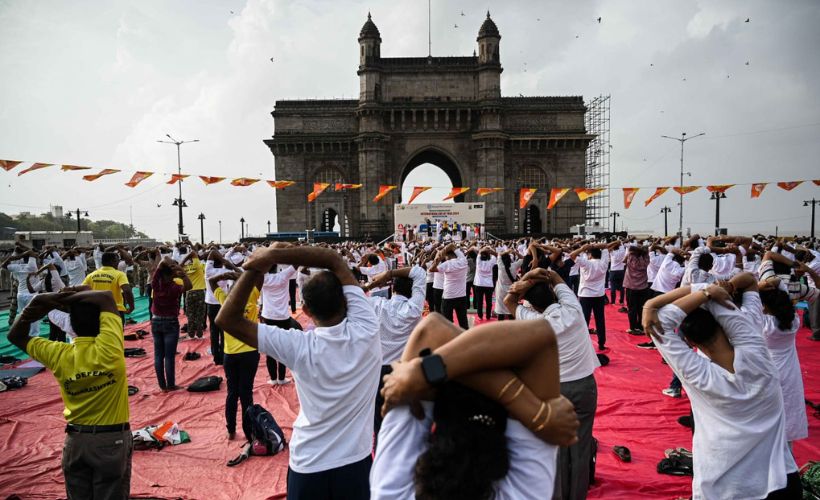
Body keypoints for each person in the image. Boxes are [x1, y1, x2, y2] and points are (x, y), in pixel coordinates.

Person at [216, 245, 381, 500]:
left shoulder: (298, 345)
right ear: (347, 300)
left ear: (305, 311)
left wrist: (258, 263)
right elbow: (333, 259)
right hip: (355, 464)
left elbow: (226, 319)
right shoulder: (368, 330)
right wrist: (273, 256)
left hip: (309, 464)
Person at [373, 313, 580, 500]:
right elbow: (540, 336)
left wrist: (530, 410)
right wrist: (423, 374)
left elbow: (431, 331)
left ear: (436, 426)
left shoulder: (392, 492)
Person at [642, 272, 800, 499]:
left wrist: (651, 304)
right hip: (781, 482)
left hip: (725, 488)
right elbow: (721, 296)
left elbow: (664, 321)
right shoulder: (759, 355)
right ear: (727, 326)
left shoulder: (699, 376)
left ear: (691, 343)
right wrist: (707, 292)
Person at [8, 289, 132, 499]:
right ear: (104, 323)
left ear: (71, 325)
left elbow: (15, 335)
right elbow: (107, 298)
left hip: (75, 442)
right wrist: (68, 298)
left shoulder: (58, 354)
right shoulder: (110, 349)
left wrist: (38, 304)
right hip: (111, 441)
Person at [504, 268, 599, 500]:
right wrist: (539, 273)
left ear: (533, 305)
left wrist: (522, 284)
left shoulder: (535, 321)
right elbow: (556, 277)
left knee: (554, 450)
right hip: (585, 386)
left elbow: (509, 301)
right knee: (581, 446)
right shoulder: (574, 310)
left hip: (553, 391)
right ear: (554, 295)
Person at [363, 263, 427, 437]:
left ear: (393, 289)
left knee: (379, 420)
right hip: (402, 371)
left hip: (376, 371)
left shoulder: (375, 305)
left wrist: (371, 285)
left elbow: (349, 295)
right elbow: (420, 273)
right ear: (413, 291)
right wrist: (389, 273)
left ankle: (381, 449)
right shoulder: (414, 309)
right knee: (402, 419)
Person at [209, 270, 261, 443]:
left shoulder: (226, 302)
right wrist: (239, 276)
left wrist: (224, 276)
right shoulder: (251, 297)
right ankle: (250, 431)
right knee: (247, 393)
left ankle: (231, 430)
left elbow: (211, 282)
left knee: (232, 393)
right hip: (250, 353)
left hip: (230, 355)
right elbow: (258, 277)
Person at [759, 279, 808, 446]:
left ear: (764, 306)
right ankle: (788, 461)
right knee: (789, 410)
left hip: (767, 371)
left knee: (766, 414)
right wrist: (776, 285)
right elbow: (782, 291)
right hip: (789, 371)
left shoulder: (763, 324)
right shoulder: (793, 320)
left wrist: (760, 286)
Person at [260, 244, 301, 385]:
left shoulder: (263, 278)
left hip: (267, 316)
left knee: (270, 350)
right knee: (283, 348)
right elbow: (297, 263)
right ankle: (282, 378)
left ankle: (273, 379)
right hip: (283, 316)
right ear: (277, 267)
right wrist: (290, 250)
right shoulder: (283, 275)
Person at [150, 257, 191, 392]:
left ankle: (162, 385)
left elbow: (163, 261)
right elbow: (189, 286)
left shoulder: (156, 284)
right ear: (172, 274)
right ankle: (171, 384)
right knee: (169, 356)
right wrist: (182, 272)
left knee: (158, 355)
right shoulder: (175, 287)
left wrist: (169, 266)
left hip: (156, 321)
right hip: (171, 322)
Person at [570, 242, 613, 351]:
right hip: (599, 295)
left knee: (584, 320)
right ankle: (601, 343)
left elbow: (572, 255)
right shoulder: (603, 263)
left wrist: (582, 248)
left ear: (590, 255)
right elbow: (605, 246)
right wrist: (594, 246)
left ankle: (582, 344)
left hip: (585, 295)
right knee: (600, 320)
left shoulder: (586, 263)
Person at [82, 251, 134, 327]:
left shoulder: (91, 275)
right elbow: (127, 290)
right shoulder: (119, 274)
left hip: (97, 311)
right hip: (115, 311)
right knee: (116, 336)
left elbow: (82, 289)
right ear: (112, 262)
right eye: (117, 261)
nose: (118, 263)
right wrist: (131, 307)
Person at [429, 243, 469, 329]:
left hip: (448, 296)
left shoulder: (447, 264)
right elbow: (452, 245)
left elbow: (431, 269)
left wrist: (438, 258)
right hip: (462, 296)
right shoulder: (463, 260)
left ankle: (451, 340)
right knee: (463, 322)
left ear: (447, 256)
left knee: (448, 324)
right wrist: (444, 251)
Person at [2, 246, 40, 337]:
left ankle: (22, 333)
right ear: (32, 259)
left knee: (22, 315)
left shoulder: (16, 267)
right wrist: (20, 254)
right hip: (32, 295)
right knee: (33, 316)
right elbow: (31, 252)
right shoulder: (32, 266)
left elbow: (3, 265)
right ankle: (34, 336)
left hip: (20, 294)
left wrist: (12, 258)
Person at [180, 248, 207, 339]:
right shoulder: (198, 265)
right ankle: (199, 334)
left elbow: (179, 266)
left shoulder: (184, 268)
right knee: (200, 314)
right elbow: (193, 253)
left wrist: (184, 260)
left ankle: (191, 334)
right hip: (200, 292)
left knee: (190, 314)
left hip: (189, 293)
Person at [494, 250, 522, 321]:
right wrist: (516, 252)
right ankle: (512, 329)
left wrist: (507, 251)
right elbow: (523, 258)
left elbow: (499, 254)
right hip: (511, 290)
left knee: (500, 311)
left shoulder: (500, 266)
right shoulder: (514, 266)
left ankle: (500, 329)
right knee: (511, 309)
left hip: (500, 291)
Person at [473, 247, 496, 321]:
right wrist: (490, 249)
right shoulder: (491, 261)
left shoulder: (478, 261)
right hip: (489, 285)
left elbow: (479, 252)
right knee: (489, 302)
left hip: (479, 284)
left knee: (479, 301)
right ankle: (488, 316)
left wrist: (484, 249)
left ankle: (480, 315)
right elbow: (495, 254)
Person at [608, 241, 626, 311]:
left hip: (613, 271)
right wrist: (619, 242)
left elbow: (608, 248)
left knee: (613, 287)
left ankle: (613, 301)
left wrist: (613, 243)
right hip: (621, 271)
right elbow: (621, 243)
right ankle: (621, 301)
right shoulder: (622, 251)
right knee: (622, 287)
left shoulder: (612, 252)